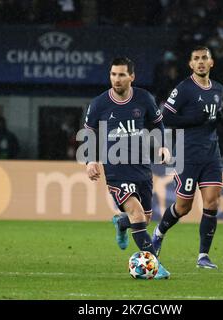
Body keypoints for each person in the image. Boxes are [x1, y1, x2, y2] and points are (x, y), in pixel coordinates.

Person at [83, 57, 171, 279]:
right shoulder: (99, 104)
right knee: (137, 212)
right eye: (113, 74)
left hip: (141, 167)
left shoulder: (144, 98)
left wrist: (163, 146)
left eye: (122, 74)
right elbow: (90, 133)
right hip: (116, 168)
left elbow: (157, 124)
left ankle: (121, 224)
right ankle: (155, 265)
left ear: (132, 76)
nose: (117, 79)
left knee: (144, 219)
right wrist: (91, 160)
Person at [152, 46, 223, 269]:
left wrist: (221, 119)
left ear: (211, 62)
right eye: (196, 59)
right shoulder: (184, 88)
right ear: (191, 64)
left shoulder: (218, 89)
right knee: (183, 206)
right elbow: (165, 118)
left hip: (211, 154)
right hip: (187, 154)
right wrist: (193, 119)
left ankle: (203, 256)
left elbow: (210, 117)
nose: (201, 62)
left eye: (204, 58)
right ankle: (158, 233)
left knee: (212, 202)